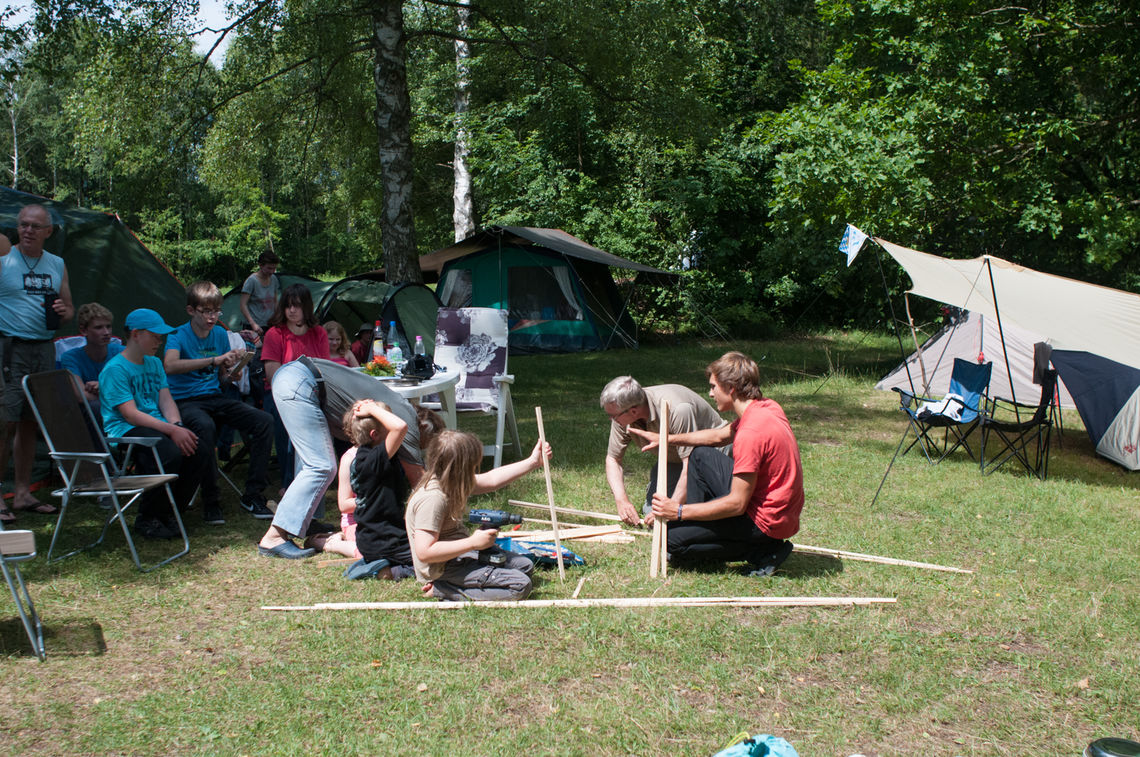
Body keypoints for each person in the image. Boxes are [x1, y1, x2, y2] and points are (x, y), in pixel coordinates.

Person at [631, 352, 804, 577]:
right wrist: (665, 439)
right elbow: (718, 437)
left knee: (671, 541)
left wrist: (679, 511)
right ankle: (703, 526)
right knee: (700, 454)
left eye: (714, 387)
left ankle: (762, 551)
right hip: (778, 511)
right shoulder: (766, 407)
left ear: (730, 388)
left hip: (767, 523)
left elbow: (736, 504)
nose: (710, 393)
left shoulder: (751, 434)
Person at [256, 357, 430, 559]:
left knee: (309, 459)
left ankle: (305, 521)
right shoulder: (403, 420)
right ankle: (274, 537)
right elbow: (418, 478)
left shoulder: (396, 407)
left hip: (296, 377)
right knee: (320, 466)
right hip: (301, 382)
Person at [163, 281, 274, 524]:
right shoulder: (178, 336)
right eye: (207, 311)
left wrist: (230, 374)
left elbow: (221, 378)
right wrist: (214, 360)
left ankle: (253, 494)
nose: (213, 317)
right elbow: (169, 365)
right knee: (205, 427)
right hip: (185, 401)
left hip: (215, 397)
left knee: (264, 421)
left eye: (216, 311)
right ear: (191, 310)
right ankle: (211, 501)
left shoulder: (220, 335)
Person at [99, 309, 211, 539]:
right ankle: (147, 517)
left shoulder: (154, 363)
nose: (160, 341)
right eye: (155, 336)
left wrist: (178, 426)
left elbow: (165, 399)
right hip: (124, 432)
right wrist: (171, 431)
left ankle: (171, 512)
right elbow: (130, 414)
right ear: (136, 334)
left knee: (198, 448)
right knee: (168, 452)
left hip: (156, 425)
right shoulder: (115, 370)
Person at [406, 429, 551, 601]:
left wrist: (533, 462)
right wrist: (473, 542)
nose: (475, 468)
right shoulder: (433, 499)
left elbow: (491, 480)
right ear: (460, 468)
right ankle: (443, 589)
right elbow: (425, 552)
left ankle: (459, 582)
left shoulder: (452, 481)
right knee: (520, 585)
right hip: (442, 568)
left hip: (460, 555)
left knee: (524, 566)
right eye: (473, 465)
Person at [0, 203, 74, 523]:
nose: (28, 230)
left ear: (48, 232)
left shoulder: (57, 263)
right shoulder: (5, 261)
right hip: (10, 348)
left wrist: (63, 311)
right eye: (23, 225)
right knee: (5, 422)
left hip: (43, 349)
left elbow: (70, 308)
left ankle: (22, 493)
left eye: (35, 226)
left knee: (31, 423)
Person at [600, 376, 731, 527]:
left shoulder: (678, 409)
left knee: (677, 519)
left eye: (612, 416)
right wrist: (621, 500)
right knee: (651, 511)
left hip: (712, 455)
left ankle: (712, 494)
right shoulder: (623, 415)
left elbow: (689, 464)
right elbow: (613, 459)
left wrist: (672, 508)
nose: (611, 419)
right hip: (676, 459)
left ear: (634, 411)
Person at [261, 284, 329, 491]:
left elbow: (325, 370)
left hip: (314, 393)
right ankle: (289, 482)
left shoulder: (318, 333)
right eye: (288, 306)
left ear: (306, 308)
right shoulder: (275, 334)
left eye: (297, 306)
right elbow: (273, 375)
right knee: (288, 428)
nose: (291, 310)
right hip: (280, 394)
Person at [59, 302, 124, 423]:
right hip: (87, 417)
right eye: (99, 327)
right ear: (83, 331)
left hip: (123, 410)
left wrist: (103, 387)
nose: (106, 332)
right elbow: (80, 395)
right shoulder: (70, 357)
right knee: (95, 407)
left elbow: (134, 387)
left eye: (108, 326)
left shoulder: (121, 352)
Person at [239, 250, 279, 339]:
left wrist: (278, 318)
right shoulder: (252, 281)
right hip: (254, 326)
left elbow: (275, 301)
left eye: (274, 268)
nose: (272, 271)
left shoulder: (274, 279)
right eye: (269, 268)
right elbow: (243, 305)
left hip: (270, 324)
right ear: (260, 265)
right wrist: (253, 324)